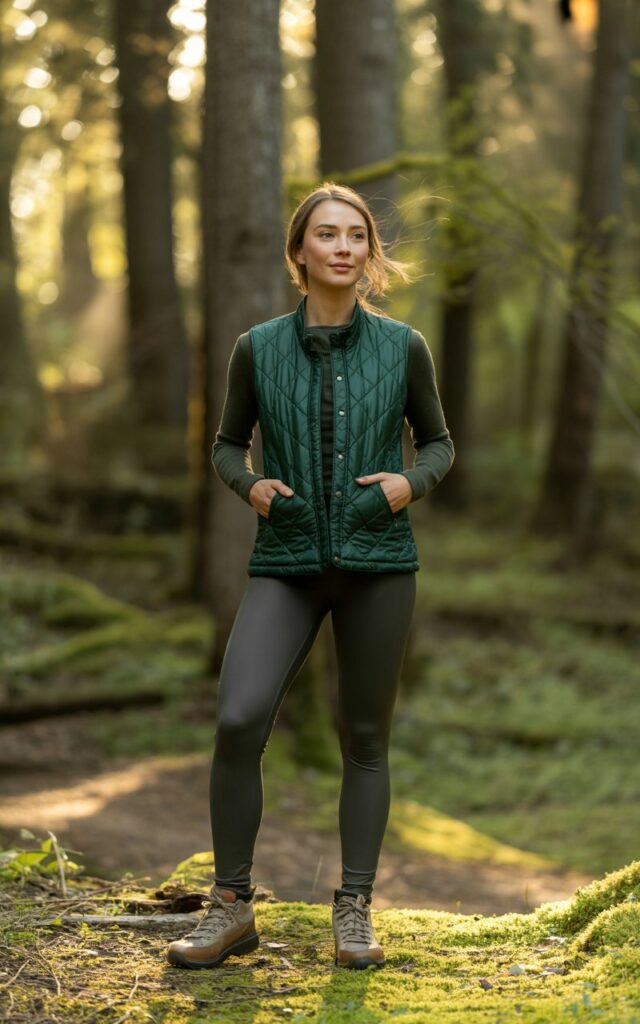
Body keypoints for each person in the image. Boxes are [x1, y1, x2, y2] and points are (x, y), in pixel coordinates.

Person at [167, 182, 454, 972]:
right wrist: (250, 484)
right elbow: (227, 443)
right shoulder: (257, 348)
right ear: (299, 253)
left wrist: (407, 484)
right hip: (287, 562)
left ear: (369, 255)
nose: (342, 247)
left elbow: (439, 443)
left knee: (364, 739)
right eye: (325, 234)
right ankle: (230, 908)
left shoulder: (405, 347)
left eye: (356, 236)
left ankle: (355, 907)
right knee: (237, 719)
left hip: (379, 565)